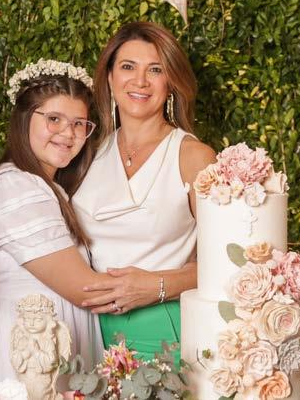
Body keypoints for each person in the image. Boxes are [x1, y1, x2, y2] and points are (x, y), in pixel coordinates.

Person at [0, 59, 108, 392]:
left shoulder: (46, 186)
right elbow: (84, 289)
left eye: (79, 123)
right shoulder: (16, 188)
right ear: (24, 119)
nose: (69, 133)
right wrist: (166, 283)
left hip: (48, 354)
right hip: (22, 360)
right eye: (54, 119)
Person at [72, 22, 217, 362]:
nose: (140, 81)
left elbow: (228, 263)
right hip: (89, 330)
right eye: (128, 67)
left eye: (155, 69)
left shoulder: (194, 157)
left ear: (171, 82)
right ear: (109, 78)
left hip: (162, 326)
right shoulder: (88, 153)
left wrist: (156, 286)